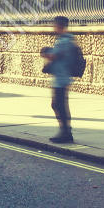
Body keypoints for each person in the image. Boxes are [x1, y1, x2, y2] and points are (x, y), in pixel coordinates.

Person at [39, 15, 81, 144]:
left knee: (58, 105)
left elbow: (54, 55)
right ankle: (65, 131)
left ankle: (66, 132)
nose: (53, 27)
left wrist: (45, 52)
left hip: (62, 78)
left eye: (55, 25)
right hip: (60, 77)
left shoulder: (64, 41)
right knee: (59, 104)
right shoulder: (66, 39)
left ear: (60, 26)